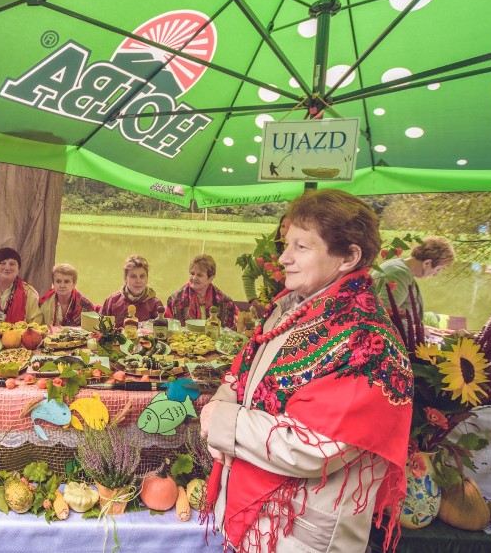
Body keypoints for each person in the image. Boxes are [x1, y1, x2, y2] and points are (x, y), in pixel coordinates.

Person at [199, 190, 412, 553]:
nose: (283, 258)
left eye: (301, 247)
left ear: (349, 257)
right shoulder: (290, 308)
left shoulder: (367, 341)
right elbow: (241, 374)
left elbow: (316, 445)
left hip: (296, 531)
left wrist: (221, 420)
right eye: (287, 245)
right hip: (255, 517)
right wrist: (218, 410)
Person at [371, 235, 455, 319]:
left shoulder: (397, 265)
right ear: (427, 263)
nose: (435, 274)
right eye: (438, 269)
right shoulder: (400, 275)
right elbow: (383, 316)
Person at [165, 254, 238, 328]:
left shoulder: (225, 302)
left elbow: (234, 331)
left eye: (199, 275)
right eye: (192, 273)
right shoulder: (174, 300)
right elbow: (167, 328)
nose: (194, 278)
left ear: (211, 278)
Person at [243, 215, 289, 316]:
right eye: (283, 226)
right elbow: (248, 275)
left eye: (290, 228)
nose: (284, 232)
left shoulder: (305, 257)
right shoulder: (267, 253)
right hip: (268, 309)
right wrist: (254, 301)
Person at [101, 254, 163, 322]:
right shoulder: (112, 301)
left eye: (142, 276)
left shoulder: (155, 304)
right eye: (133, 276)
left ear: (147, 278)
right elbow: (100, 326)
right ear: (125, 278)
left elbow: (161, 330)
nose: (138, 281)